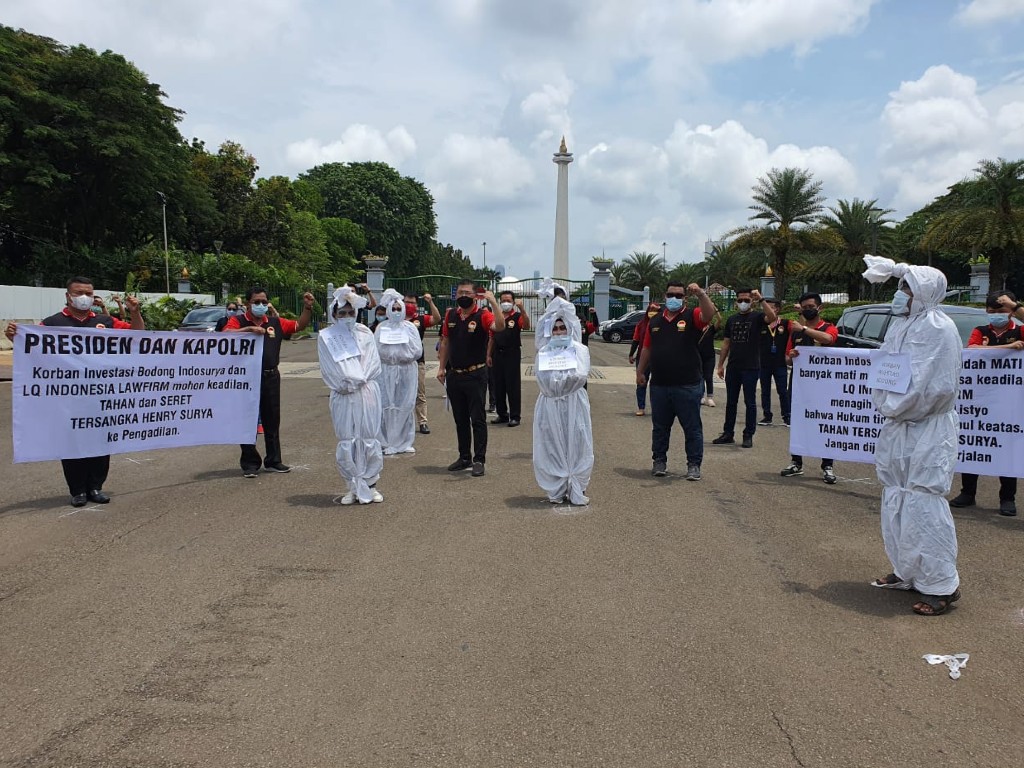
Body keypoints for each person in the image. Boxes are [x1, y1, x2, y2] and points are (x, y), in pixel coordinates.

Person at [863, 256, 963, 616]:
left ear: (924, 292)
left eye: (906, 287)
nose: (899, 294)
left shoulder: (938, 328)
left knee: (923, 499)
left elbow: (928, 387)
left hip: (927, 428)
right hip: (899, 426)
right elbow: (887, 371)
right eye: (900, 287)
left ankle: (940, 586)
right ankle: (908, 571)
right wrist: (887, 404)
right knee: (897, 495)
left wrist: (894, 406)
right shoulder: (901, 326)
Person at [4, 277, 144, 507]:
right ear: (68, 296)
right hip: (67, 398)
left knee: (100, 442)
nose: (85, 297)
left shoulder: (105, 321)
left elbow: (138, 335)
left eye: (89, 293)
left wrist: (135, 312)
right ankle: (77, 490)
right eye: (79, 292)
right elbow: (29, 344)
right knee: (71, 444)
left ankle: (96, 487)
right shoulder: (51, 323)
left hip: (101, 395)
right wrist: (14, 335)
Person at [222, 286, 314, 477]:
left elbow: (299, 326)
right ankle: (249, 463)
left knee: (272, 419)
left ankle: (274, 460)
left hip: (270, 376)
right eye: (256, 302)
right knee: (247, 420)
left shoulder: (274, 322)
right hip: (246, 378)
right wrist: (248, 329)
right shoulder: (237, 321)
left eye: (264, 302)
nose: (261, 305)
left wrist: (307, 308)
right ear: (248, 304)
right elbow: (225, 335)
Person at [950, 290, 1024, 516]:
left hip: (1010, 400)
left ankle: (1007, 498)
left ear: (1010, 312)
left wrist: (1014, 305)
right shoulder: (981, 331)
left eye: (1000, 311)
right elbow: (972, 350)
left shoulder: (1019, 329)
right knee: (974, 443)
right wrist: (1009, 348)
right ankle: (968, 492)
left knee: (1007, 446)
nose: (996, 316)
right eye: (991, 312)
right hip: (980, 398)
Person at [636, 282, 718, 480]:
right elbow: (647, 348)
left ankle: (693, 465)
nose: (674, 298)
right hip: (659, 385)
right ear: (665, 296)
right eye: (671, 294)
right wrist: (640, 372)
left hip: (688, 385)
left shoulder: (692, 316)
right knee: (660, 428)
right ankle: (659, 461)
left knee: (692, 428)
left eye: (679, 295)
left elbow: (709, 314)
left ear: (685, 298)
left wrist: (700, 293)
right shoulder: (655, 322)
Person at [318, 286, 384, 504]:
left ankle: (370, 484)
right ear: (334, 315)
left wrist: (359, 380)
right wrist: (345, 383)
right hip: (343, 394)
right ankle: (352, 485)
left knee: (368, 437)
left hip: (366, 392)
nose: (347, 317)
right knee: (348, 438)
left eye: (351, 313)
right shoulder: (327, 337)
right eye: (342, 313)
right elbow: (329, 368)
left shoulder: (365, 333)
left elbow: (373, 363)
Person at [437, 279, 502, 477]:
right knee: (460, 419)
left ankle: (479, 460)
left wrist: (493, 302)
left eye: (467, 293)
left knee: (478, 419)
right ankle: (464, 456)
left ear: (475, 295)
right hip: (455, 375)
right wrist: (441, 367)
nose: (463, 296)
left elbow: (499, 327)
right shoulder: (451, 315)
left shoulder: (483, 315)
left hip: (476, 374)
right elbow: (445, 342)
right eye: (460, 293)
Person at [533, 299, 593, 505]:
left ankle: (577, 485)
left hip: (574, 403)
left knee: (577, 440)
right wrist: (559, 383)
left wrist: (560, 381)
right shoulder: (544, 351)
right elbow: (543, 379)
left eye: (562, 327)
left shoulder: (579, 350)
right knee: (551, 442)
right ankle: (556, 487)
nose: (559, 331)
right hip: (550, 404)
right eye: (555, 328)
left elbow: (579, 376)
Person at [780, 292, 839, 484]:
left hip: (824, 387)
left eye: (811, 306)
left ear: (819, 308)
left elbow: (828, 339)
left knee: (825, 423)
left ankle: (827, 465)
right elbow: (787, 358)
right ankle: (796, 462)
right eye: (804, 307)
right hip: (799, 385)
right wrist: (792, 355)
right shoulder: (795, 332)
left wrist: (804, 329)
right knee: (799, 422)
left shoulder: (829, 327)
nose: (807, 310)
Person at [713, 289, 776, 448]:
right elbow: (726, 343)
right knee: (731, 402)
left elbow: (772, 317)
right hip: (733, 367)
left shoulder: (757, 317)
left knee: (750, 402)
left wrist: (761, 299)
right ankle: (728, 433)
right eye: (740, 300)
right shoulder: (732, 320)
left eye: (746, 300)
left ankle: (748, 434)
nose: (743, 303)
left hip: (751, 367)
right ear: (736, 302)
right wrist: (720, 365)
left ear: (752, 301)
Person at [374, 289, 423, 455]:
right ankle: (386, 440)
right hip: (386, 370)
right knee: (386, 404)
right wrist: (391, 357)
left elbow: (417, 350)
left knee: (405, 404)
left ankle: (404, 441)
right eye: (393, 309)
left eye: (398, 309)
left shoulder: (410, 328)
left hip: (406, 370)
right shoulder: (381, 328)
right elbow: (377, 349)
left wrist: (402, 357)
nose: (396, 312)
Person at [487, 289, 530, 427]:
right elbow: (492, 338)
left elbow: (527, 326)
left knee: (512, 385)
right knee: (498, 384)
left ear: (513, 302)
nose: (506, 303)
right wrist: (488, 354)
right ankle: (502, 414)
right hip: (497, 354)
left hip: (512, 353)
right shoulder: (496, 317)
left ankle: (515, 416)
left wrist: (522, 309)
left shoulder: (517, 316)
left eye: (508, 301)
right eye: (503, 300)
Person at [403, 290, 441, 435]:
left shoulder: (419, 319)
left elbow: (436, 319)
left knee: (420, 393)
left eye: (412, 302)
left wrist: (430, 302)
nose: (409, 305)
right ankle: (403, 422)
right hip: (400, 363)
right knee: (402, 393)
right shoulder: (396, 317)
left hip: (417, 361)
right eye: (407, 302)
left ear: (416, 304)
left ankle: (423, 422)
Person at [757, 297, 792, 426]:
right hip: (764, 363)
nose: (766, 309)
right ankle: (767, 416)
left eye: (770, 306)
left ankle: (787, 416)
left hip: (780, 363)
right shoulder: (761, 323)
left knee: (782, 390)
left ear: (777, 309)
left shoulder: (785, 323)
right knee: (765, 390)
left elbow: (798, 332)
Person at [629, 302, 660, 416]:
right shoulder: (641, 324)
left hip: (658, 357)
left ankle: (657, 408)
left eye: (655, 310)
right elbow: (636, 340)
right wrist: (631, 354)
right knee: (641, 382)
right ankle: (641, 407)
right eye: (651, 309)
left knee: (657, 384)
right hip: (643, 357)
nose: (653, 312)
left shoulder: (663, 324)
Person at [699, 309, 719, 407]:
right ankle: (701, 396)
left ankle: (710, 397)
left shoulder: (711, 328)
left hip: (710, 356)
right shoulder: (697, 328)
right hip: (698, 355)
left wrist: (716, 311)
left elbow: (719, 320)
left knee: (708, 376)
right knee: (700, 376)